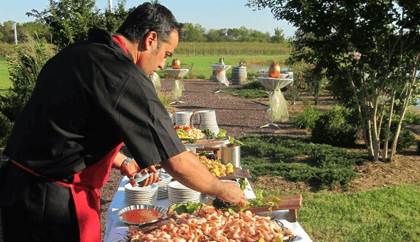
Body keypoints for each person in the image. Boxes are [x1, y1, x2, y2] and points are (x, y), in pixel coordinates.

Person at [0, 2, 247, 242]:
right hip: (54, 204)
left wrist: (122, 160)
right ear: (150, 40)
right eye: (166, 54)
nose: (162, 64)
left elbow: (67, 128)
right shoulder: (125, 75)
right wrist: (221, 188)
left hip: (16, 186)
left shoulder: (77, 53)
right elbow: (176, 160)